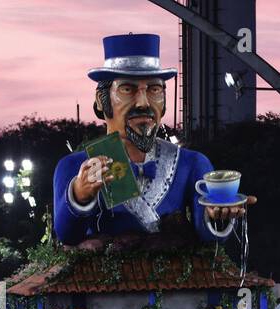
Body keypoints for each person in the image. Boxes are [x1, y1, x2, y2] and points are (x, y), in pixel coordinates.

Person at [53, 33, 251, 244]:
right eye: (127, 89)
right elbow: (68, 236)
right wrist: (79, 195)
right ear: (101, 101)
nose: (143, 103)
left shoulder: (191, 163)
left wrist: (218, 216)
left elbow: (208, 235)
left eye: (154, 89)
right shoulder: (75, 166)